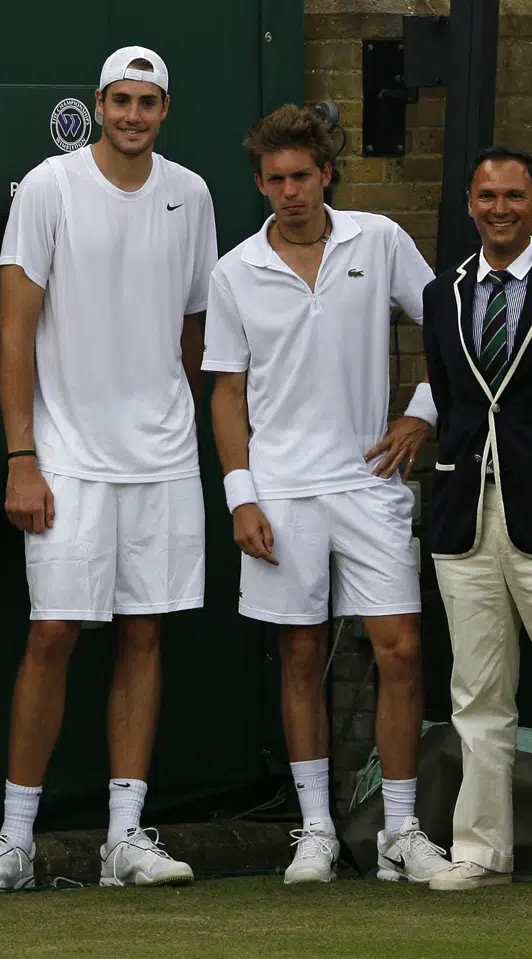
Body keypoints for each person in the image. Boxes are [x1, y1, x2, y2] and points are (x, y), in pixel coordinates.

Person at [0, 45, 216, 892]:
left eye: (148, 101)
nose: (134, 115)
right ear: (98, 105)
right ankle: (14, 841)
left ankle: (124, 839)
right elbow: (13, 327)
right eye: (121, 100)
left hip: (163, 456)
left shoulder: (192, 194)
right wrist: (21, 455)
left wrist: (174, 422)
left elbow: (194, 327)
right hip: (64, 457)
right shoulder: (49, 186)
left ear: (165, 111)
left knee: (143, 633)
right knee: (54, 631)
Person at [202, 104, 453, 884]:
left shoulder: (378, 240)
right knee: (301, 653)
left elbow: (448, 329)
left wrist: (419, 415)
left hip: (368, 481)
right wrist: (242, 496)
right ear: (260, 183)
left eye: (301, 177)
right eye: (275, 179)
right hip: (280, 490)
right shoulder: (235, 270)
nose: (290, 192)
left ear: (326, 175)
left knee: (400, 648)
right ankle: (315, 828)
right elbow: (226, 393)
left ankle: (400, 831)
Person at [422, 145, 532, 892]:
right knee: (477, 693)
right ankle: (483, 851)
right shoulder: (445, 293)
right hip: (466, 510)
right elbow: (451, 397)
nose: (500, 209)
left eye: (514, 196)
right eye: (488, 196)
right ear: (469, 204)